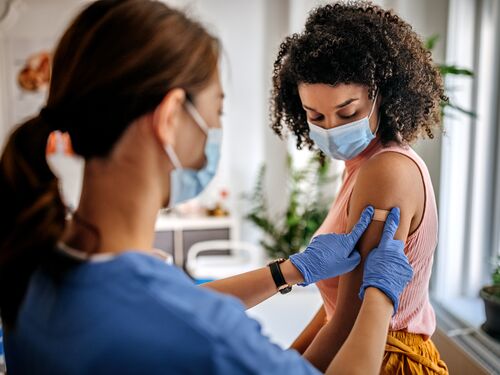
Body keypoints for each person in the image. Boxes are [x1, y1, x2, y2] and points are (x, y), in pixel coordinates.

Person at [0, 1, 411, 374]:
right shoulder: (207, 339)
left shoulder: (31, 265)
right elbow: (183, 316)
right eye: (217, 110)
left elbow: (174, 305)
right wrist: (379, 295)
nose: (216, 130)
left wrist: (290, 270)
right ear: (170, 118)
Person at [271, 2, 448, 374]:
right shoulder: (359, 167)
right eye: (315, 116)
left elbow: (349, 322)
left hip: (384, 358)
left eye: (348, 113)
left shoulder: (385, 172)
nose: (332, 128)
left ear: (381, 94)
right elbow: (333, 309)